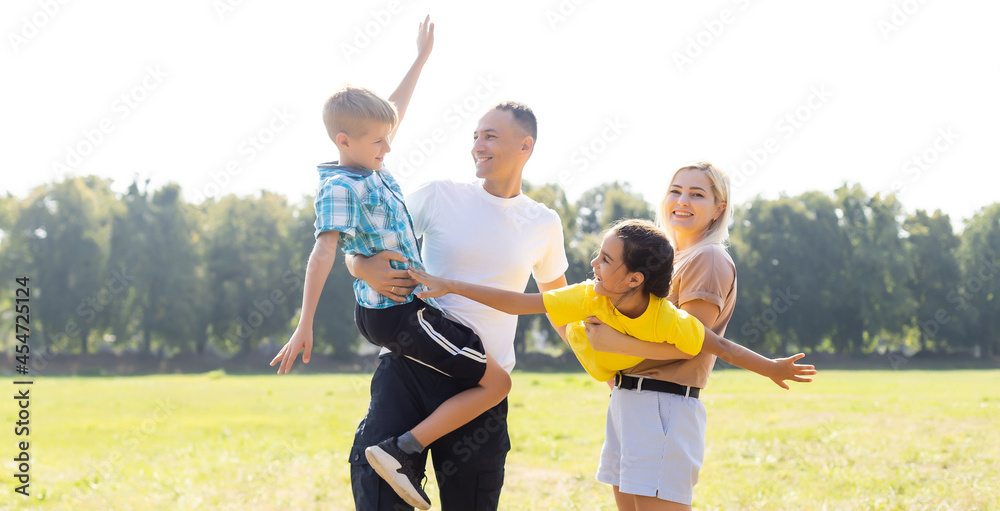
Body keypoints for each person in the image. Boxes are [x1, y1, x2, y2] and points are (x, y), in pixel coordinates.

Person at [268, 17, 521, 511]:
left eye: (388, 138)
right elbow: (324, 252)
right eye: (379, 142)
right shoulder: (340, 187)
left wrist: (420, 59)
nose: (390, 146)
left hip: (401, 310)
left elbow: (391, 115)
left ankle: (403, 449)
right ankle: (399, 451)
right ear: (344, 141)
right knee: (497, 381)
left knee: (489, 378)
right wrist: (305, 324)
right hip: (396, 313)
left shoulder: (370, 163)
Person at [343, 103, 569, 509]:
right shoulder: (440, 195)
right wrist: (360, 268)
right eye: (476, 136)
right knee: (377, 496)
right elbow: (363, 244)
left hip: (479, 387)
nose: (478, 146)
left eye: (490, 137)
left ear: (525, 145)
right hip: (409, 370)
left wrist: (605, 368)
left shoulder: (543, 222)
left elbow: (558, 306)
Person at [584, 162, 812, 510]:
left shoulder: (708, 257)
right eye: (675, 190)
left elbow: (689, 344)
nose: (682, 200)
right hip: (630, 402)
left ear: (718, 208)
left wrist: (615, 345)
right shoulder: (668, 260)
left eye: (696, 194)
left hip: (662, 405)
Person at [407, 218, 813, 387]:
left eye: (605, 260)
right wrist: (450, 284)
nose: (593, 264)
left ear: (635, 279)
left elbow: (721, 346)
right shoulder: (590, 294)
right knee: (562, 311)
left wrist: (770, 367)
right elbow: (517, 303)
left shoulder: (668, 319)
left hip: (620, 368)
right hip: (592, 353)